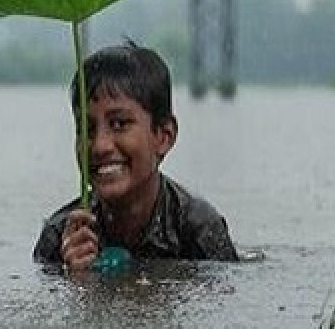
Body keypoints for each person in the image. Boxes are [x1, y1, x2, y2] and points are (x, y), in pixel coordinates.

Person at [33, 40, 239, 269]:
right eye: (87, 129)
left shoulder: (198, 229)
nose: (100, 146)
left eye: (119, 124)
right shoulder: (60, 236)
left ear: (163, 136)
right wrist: (78, 282)